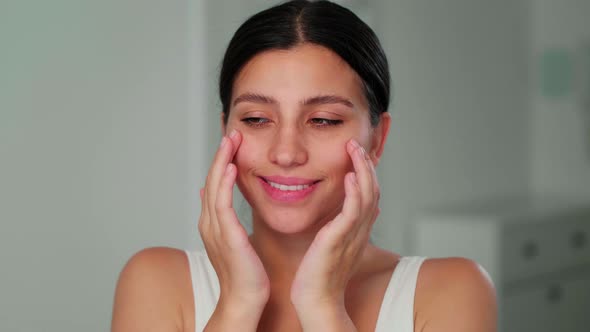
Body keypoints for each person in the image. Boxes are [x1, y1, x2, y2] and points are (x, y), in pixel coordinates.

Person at [111, 1, 497, 331]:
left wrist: (322, 306)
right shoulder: (156, 282)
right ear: (224, 130)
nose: (286, 152)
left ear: (378, 139)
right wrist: (238, 304)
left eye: (323, 120)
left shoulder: (450, 290)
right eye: (257, 119)